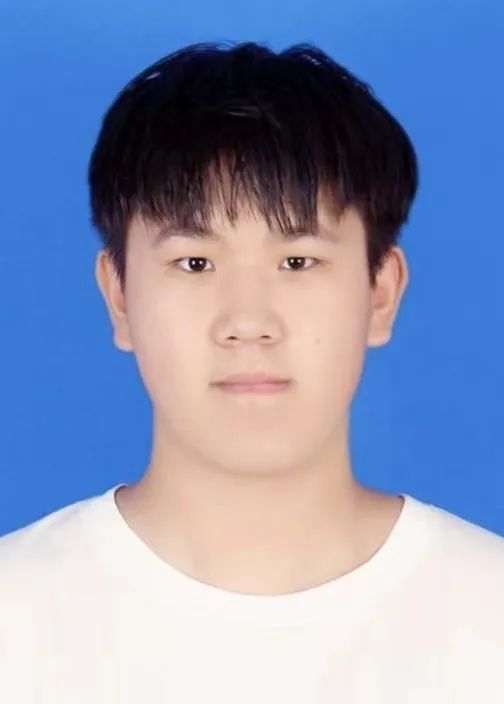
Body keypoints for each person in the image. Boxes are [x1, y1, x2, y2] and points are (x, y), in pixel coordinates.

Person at [1, 40, 503, 703]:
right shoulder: (15, 616)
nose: (247, 321)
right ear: (118, 297)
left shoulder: (488, 614)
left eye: (297, 262)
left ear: (380, 293)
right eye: (194, 263)